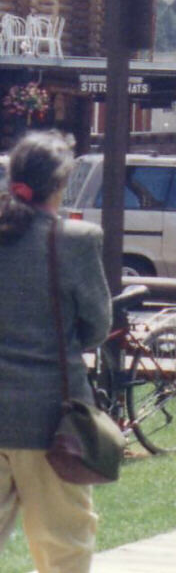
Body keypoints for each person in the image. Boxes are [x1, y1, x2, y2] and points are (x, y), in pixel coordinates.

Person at [0, 132, 111, 573]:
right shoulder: (75, 239)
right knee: (63, 546)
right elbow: (97, 328)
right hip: (52, 420)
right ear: (61, 183)